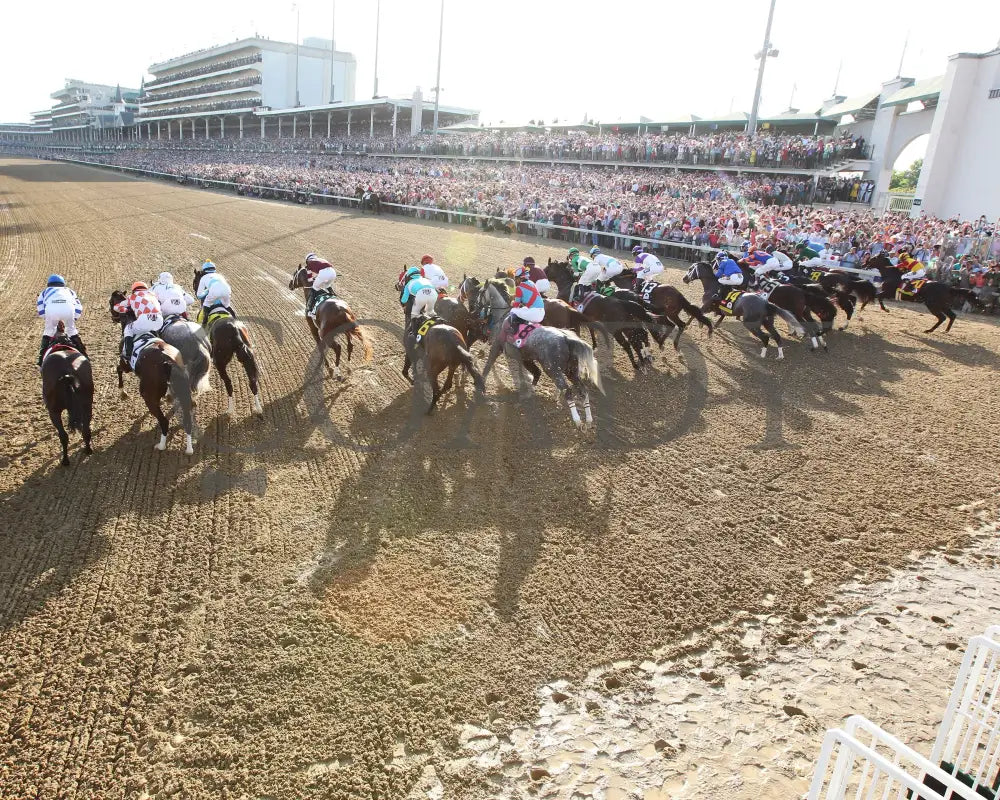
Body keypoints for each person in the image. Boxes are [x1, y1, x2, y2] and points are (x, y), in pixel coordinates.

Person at [36, 274, 86, 368]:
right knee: (71, 331)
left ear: (49, 284)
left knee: (48, 332)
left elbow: (41, 311)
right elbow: (79, 307)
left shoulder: (44, 292)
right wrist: (73, 319)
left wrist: (49, 319)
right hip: (68, 311)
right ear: (63, 284)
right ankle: (84, 354)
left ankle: (41, 359)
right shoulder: (70, 291)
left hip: (51, 312)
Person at [114, 281, 163, 364]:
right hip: (159, 319)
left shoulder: (133, 296)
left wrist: (127, 310)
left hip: (144, 319)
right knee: (153, 329)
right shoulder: (153, 294)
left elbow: (116, 307)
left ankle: (127, 354)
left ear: (134, 290)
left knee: (128, 329)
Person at [507, 264, 545, 335]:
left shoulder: (519, 288)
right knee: (524, 309)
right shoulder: (531, 283)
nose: (515, 280)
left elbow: (516, 305)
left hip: (534, 313)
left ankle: (514, 332)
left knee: (513, 311)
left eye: (516, 278)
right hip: (542, 312)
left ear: (520, 278)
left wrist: (512, 303)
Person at [399, 265, 436, 332]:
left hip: (421, 296)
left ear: (409, 276)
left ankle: (412, 333)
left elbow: (404, 299)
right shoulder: (425, 279)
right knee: (428, 312)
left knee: (413, 315)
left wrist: (404, 305)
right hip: (433, 295)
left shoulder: (409, 283)